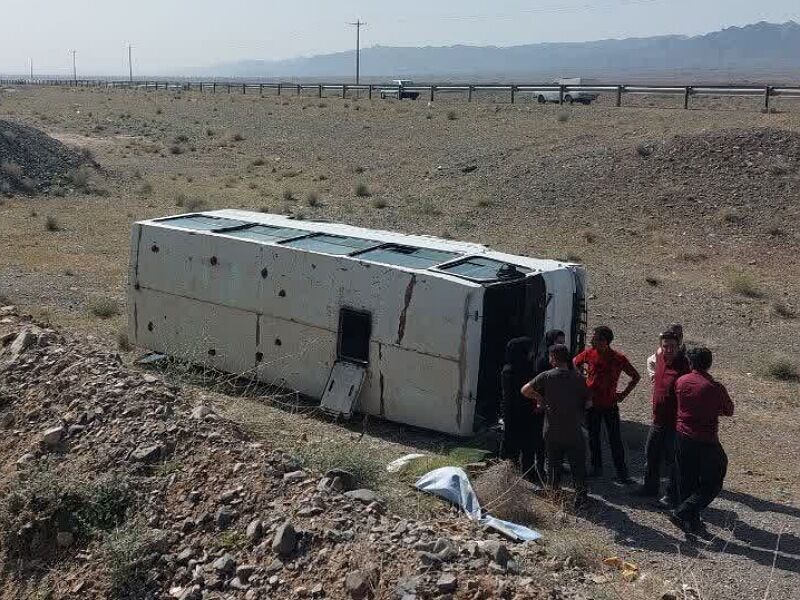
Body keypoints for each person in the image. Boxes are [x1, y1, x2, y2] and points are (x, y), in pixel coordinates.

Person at [670, 346, 734, 534]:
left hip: (682, 436)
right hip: (706, 440)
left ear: (690, 363)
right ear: (709, 364)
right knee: (714, 480)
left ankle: (690, 521)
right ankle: (683, 512)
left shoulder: (681, 381)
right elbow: (729, 410)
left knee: (686, 478)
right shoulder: (714, 387)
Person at [521, 344, 590, 505]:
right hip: (574, 430)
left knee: (553, 464)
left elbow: (524, 390)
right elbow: (589, 404)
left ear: (553, 358)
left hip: (552, 429)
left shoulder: (546, 376)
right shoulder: (579, 378)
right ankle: (580, 496)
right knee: (577, 465)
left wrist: (540, 398)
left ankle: (554, 495)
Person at [574, 326, 640, 484]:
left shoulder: (618, 358)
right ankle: (596, 467)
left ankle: (622, 473)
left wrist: (623, 395)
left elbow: (635, 376)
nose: (591, 340)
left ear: (604, 341)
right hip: (592, 404)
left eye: (595, 338)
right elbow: (575, 363)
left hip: (610, 404)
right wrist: (583, 381)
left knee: (615, 439)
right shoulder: (589, 353)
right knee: (593, 437)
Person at [634, 330, 690, 504]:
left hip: (675, 422)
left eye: (672, 346)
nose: (668, 350)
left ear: (678, 346)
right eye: (665, 346)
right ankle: (650, 487)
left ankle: (672, 495)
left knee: (673, 460)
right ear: (660, 347)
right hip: (657, 420)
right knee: (651, 455)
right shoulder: (658, 358)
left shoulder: (685, 365)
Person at [500, 337, 539, 480]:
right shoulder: (516, 370)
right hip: (518, 411)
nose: (532, 353)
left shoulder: (512, 368)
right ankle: (513, 471)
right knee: (521, 443)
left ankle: (518, 471)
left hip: (517, 411)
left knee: (519, 442)